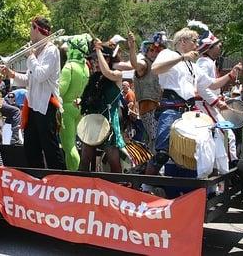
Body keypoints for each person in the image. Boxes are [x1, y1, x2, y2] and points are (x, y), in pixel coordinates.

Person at [146, 27, 242, 177]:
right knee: (162, 154)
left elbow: (212, 84)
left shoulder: (193, 66)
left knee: (207, 144)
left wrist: (231, 75)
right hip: (171, 110)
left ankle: (206, 187)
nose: (197, 45)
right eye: (194, 41)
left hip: (190, 114)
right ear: (183, 41)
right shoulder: (168, 54)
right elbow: (155, 69)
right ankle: (145, 186)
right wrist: (182, 58)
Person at [1, 16, 65, 169]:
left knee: (50, 148)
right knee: (30, 148)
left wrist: (30, 56)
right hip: (32, 105)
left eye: (31, 28)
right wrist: (11, 74)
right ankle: (36, 179)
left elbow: (41, 75)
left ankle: (60, 179)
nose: (29, 32)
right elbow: (30, 79)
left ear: (37, 29)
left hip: (46, 105)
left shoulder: (51, 50)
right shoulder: (37, 51)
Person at [191, 21, 238, 163]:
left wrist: (219, 97)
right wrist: (216, 102)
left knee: (219, 137)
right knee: (226, 133)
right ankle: (232, 166)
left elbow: (211, 86)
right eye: (218, 45)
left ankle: (222, 166)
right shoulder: (204, 63)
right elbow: (202, 87)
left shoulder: (208, 62)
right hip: (204, 104)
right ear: (209, 49)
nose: (220, 46)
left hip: (207, 103)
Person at [79, 41, 125, 173]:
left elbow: (107, 73)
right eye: (93, 59)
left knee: (113, 160)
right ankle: (81, 189)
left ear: (108, 59)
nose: (94, 62)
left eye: (97, 59)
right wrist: (82, 101)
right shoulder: (94, 78)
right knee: (85, 159)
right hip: (92, 120)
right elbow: (90, 98)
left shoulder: (117, 75)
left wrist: (99, 51)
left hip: (109, 121)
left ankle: (119, 189)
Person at [127, 31, 166, 152]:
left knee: (159, 139)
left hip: (161, 109)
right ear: (146, 51)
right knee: (156, 138)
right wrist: (132, 47)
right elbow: (134, 64)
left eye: (158, 51)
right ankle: (155, 167)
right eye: (151, 50)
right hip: (149, 109)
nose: (154, 53)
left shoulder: (161, 66)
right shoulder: (144, 64)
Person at [58, 33, 91, 170]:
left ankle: (75, 174)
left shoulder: (69, 66)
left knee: (69, 145)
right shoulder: (85, 67)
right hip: (78, 107)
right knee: (74, 144)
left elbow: (61, 90)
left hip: (67, 108)